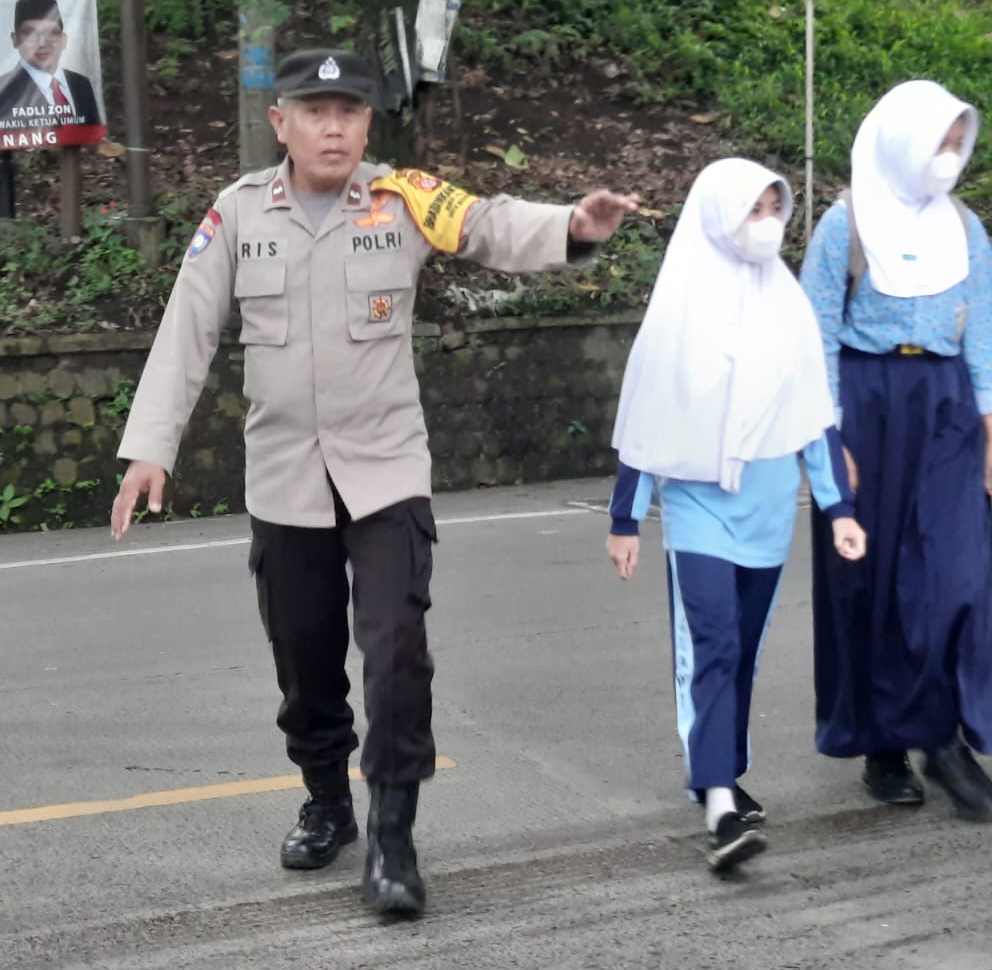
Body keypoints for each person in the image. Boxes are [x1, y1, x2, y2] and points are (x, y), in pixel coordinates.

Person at [110, 49, 637, 916]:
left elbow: (488, 223)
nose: (334, 129)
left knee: (396, 652)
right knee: (305, 659)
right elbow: (187, 328)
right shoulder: (239, 213)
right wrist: (150, 449)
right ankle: (327, 801)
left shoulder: (404, 198)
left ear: (367, 125)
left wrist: (573, 225)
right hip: (286, 479)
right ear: (280, 123)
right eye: (315, 113)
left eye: (349, 113)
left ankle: (394, 837)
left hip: (386, 471)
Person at [605, 159, 867, 872]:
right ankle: (719, 803)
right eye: (753, 210)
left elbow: (814, 415)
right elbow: (645, 417)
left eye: (774, 209)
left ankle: (723, 770)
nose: (766, 224)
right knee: (713, 644)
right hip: (697, 507)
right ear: (720, 214)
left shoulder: (788, 304)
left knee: (741, 651)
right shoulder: (679, 306)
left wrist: (839, 509)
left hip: (770, 511)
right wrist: (626, 519)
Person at [801, 80, 992, 823]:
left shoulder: (963, 226)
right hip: (865, 404)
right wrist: (828, 438)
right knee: (869, 578)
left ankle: (945, 733)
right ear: (902, 143)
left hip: (947, 404)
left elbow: (984, 325)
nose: (950, 155)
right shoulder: (845, 224)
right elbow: (814, 334)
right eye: (939, 141)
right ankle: (882, 745)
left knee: (955, 574)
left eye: (959, 142)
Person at [0, 0, 102, 134]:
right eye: (30, 34)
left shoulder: (81, 84)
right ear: (15, 40)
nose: (42, 43)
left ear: (64, 40)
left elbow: (94, 137)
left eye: (52, 33)